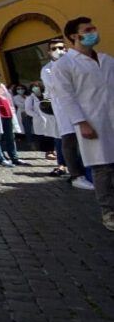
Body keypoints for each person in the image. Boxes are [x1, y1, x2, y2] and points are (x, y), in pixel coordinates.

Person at [51, 16, 114, 231]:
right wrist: (81, 122)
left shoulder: (107, 60)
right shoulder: (64, 65)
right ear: (74, 36)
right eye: (88, 29)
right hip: (92, 122)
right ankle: (109, 212)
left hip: (112, 118)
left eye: (93, 28)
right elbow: (66, 96)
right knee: (103, 168)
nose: (93, 32)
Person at [43, 38, 94, 190]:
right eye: (54, 48)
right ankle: (76, 175)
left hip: (83, 107)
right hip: (64, 110)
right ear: (49, 51)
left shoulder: (74, 63)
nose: (59, 50)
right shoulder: (47, 70)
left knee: (86, 142)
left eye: (62, 47)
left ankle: (89, 171)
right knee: (69, 141)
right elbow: (60, 86)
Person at [25, 81, 61, 170]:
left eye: (37, 87)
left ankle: (52, 151)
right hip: (39, 120)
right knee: (43, 137)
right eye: (33, 87)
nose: (35, 88)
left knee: (52, 135)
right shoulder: (30, 98)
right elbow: (28, 110)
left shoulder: (46, 95)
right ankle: (48, 152)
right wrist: (37, 116)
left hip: (49, 119)